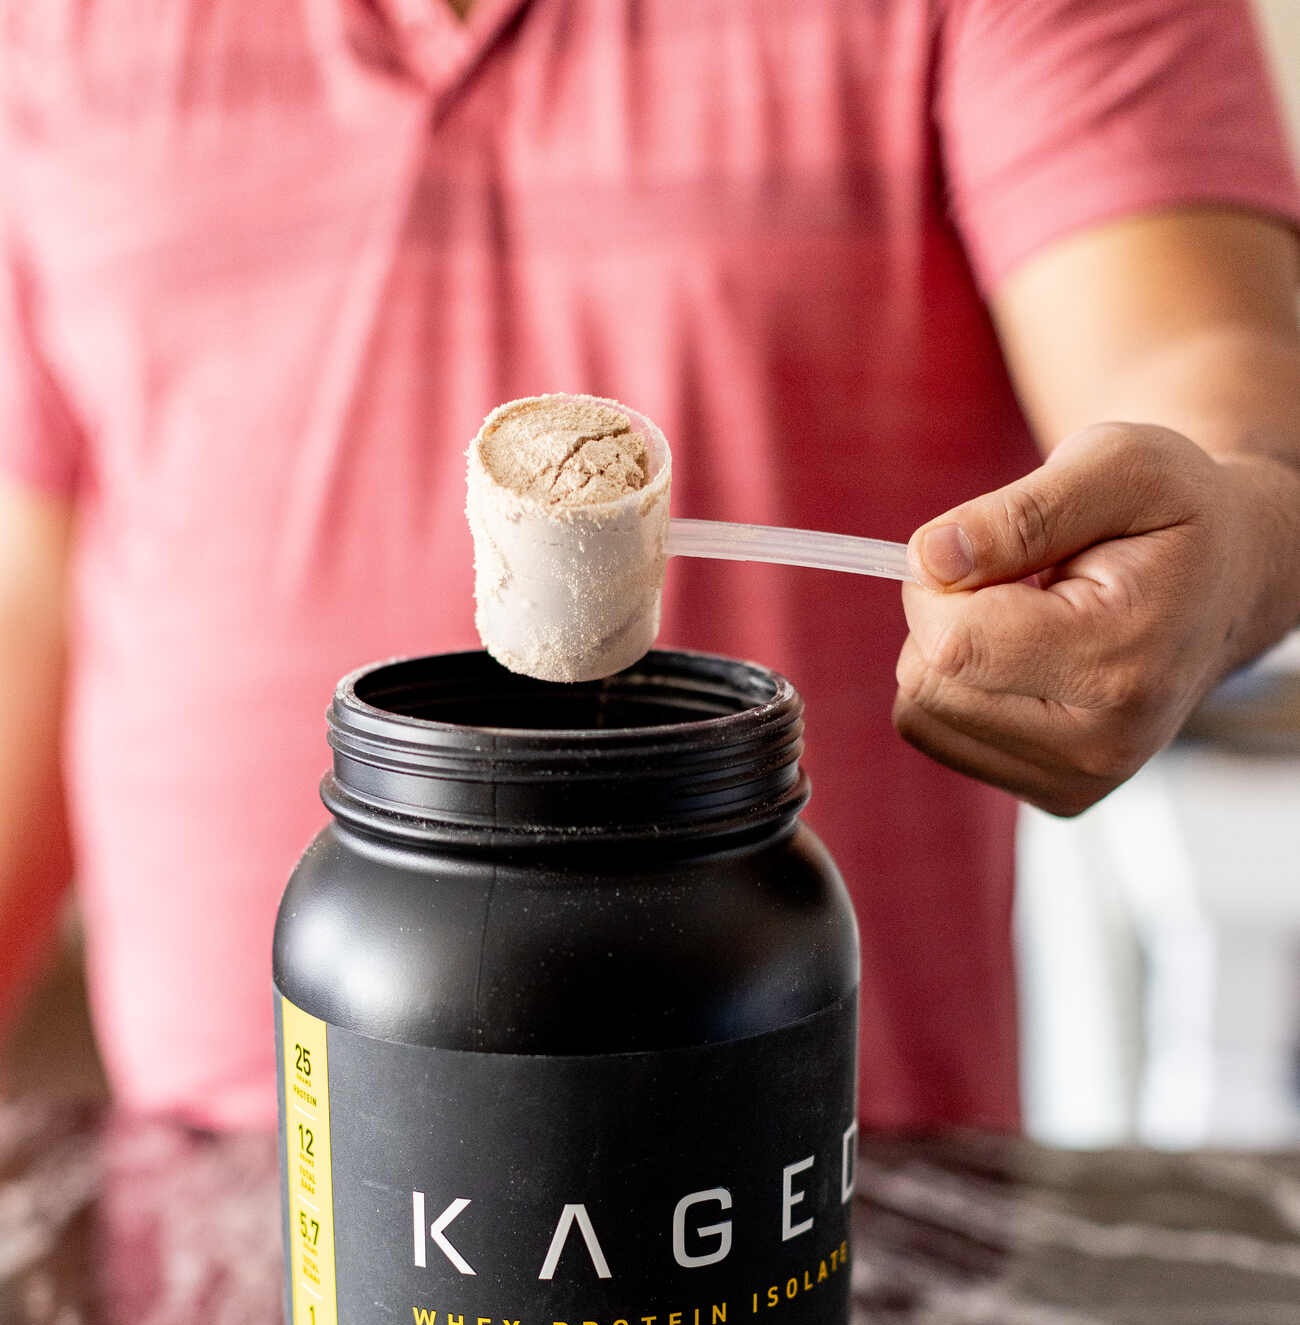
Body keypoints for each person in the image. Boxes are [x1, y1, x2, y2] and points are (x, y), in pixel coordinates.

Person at [1, 0, 1298, 1133]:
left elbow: (1205, 383)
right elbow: (27, 613)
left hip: (809, 1201)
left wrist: (1227, 530)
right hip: (242, 1208)